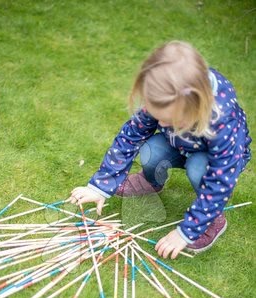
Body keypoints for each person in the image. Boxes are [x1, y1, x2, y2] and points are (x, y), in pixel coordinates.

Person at [69, 41, 251, 259]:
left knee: (198, 169)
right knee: (150, 149)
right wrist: (100, 187)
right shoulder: (163, 94)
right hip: (179, 144)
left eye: (168, 119)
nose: (160, 123)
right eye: (158, 117)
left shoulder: (221, 120)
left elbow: (221, 182)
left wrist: (185, 233)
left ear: (193, 107)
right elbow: (130, 137)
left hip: (212, 161)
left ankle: (212, 219)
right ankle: (150, 181)